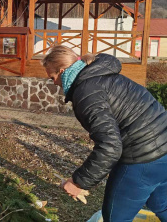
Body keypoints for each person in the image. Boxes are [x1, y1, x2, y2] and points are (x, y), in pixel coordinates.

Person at [42, 45, 167, 221]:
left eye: (52, 77)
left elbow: (110, 145)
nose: (54, 83)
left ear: (62, 71)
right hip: (164, 149)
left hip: (141, 158)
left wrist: (78, 182)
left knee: (115, 218)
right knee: (162, 205)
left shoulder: (86, 92)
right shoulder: (102, 75)